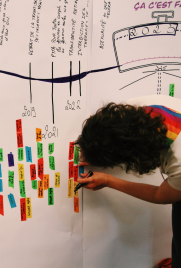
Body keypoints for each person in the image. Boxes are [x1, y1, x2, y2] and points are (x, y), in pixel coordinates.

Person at [72, 95, 181, 267]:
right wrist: (92, 148)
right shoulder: (139, 109)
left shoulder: (179, 162)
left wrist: (108, 180)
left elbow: (160, 195)